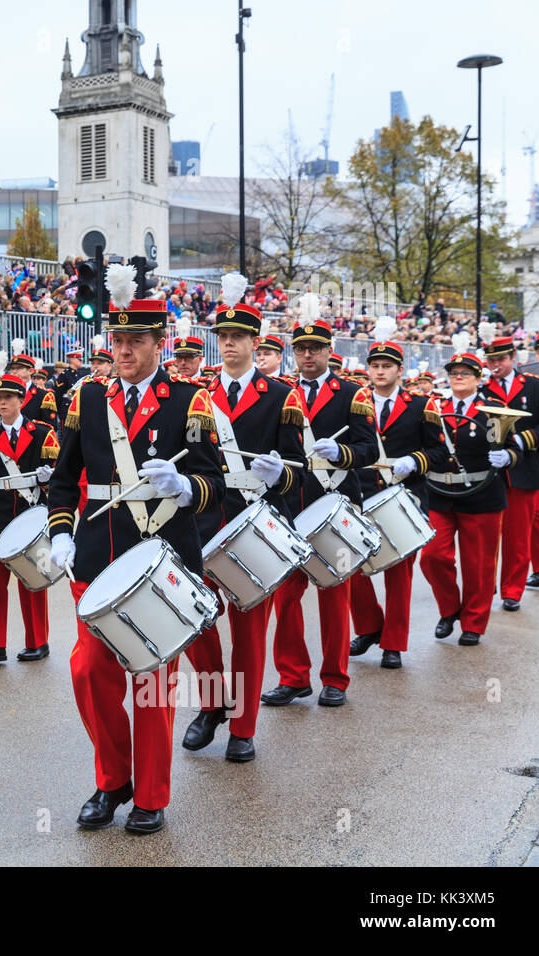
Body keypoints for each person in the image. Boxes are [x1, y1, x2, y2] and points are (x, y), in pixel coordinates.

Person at [46, 292, 224, 834]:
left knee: (153, 681)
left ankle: (150, 795)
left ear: (157, 343)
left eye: (135, 341)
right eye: (117, 340)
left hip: (165, 550)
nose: (123, 350)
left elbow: (215, 484)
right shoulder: (88, 398)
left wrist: (186, 486)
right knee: (87, 669)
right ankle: (111, 779)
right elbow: (61, 479)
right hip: (99, 551)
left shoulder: (188, 401)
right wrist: (60, 532)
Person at [179, 285, 307, 763]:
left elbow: (300, 466)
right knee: (196, 617)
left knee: (250, 628)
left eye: (238, 336)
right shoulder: (198, 396)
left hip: (256, 520)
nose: (229, 343)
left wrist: (283, 474)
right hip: (203, 517)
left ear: (257, 342)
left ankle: (244, 726)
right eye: (224, 336)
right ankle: (213, 705)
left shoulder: (281, 396)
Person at [264, 317, 380, 709]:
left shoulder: (352, 393)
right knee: (286, 595)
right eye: (300, 348)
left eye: (314, 348)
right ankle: (293, 676)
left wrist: (342, 454)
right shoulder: (281, 393)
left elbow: (370, 451)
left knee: (334, 595)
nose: (307, 354)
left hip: (335, 504)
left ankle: (335, 677)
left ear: (330, 351)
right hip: (291, 505)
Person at [348, 341, 445, 668]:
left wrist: (414, 461)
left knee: (399, 574)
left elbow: (440, 453)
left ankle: (394, 642)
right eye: (375, 365)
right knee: (353, 570)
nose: (379, 371)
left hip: (405, 498)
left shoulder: (421, 405)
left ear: (399, 370)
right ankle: (369, 627)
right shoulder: (356, 403)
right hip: (362, 495)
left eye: (386, 366)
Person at [419, 352, 519, 646]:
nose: (458, 377)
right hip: (441, 494)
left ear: (478, 378)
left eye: (465, 372)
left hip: (482, 496)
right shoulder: (434, 407)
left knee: (479, 565)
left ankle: (474, 622)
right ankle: (450, 610)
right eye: (454, 372)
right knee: (433, 556)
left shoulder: (493, 409)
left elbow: (516, 449)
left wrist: (507, 456)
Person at [0, 373, 60, 664]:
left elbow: (59, 479)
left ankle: (37, 641)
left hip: (32, 517)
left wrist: (49, 480)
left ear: (22, 400)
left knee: (31, 580)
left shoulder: (43, 433)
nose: (2, 403)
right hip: (0, 520)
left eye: (8, 397)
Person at [481, 337, 539, 611]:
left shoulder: (535, 385)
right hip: (490, 470)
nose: (496, 365)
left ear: (513, 358)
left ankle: (512, 590)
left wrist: (522, 440)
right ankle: (484, 587)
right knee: (483, 536)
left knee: (518, 535)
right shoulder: (481, 387)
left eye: (501, 360)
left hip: (524, 468)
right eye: (491, 361)